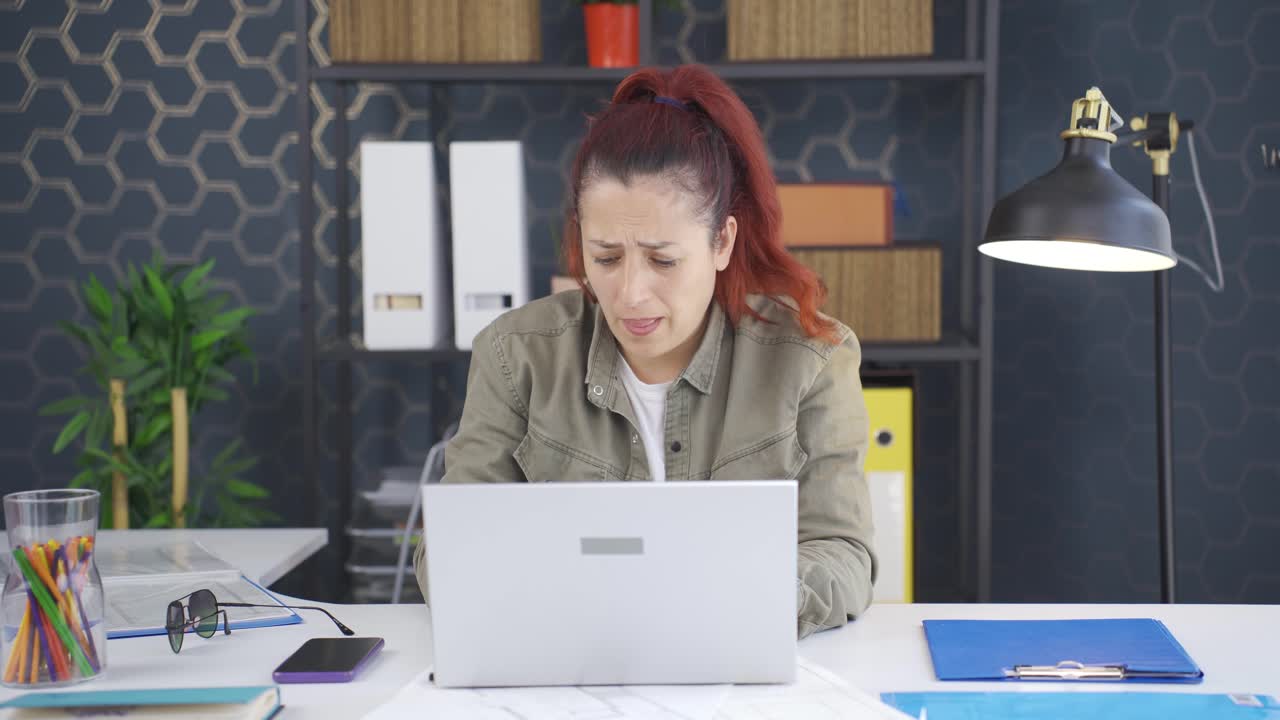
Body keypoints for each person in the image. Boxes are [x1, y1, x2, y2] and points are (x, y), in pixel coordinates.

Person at [414, 64, 876, 638]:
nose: (630, 293)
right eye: (605, 258)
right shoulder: (516, 355)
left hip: (736, 658)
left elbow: (842, 553)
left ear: (722, 242)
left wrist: (735, 602)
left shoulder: (810, 359)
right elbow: (450, 554)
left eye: (662, 259)